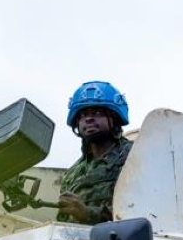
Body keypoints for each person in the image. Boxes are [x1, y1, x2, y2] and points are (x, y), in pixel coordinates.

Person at [57, 81, 133, 224]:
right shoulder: (73, 173)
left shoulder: (134, 156)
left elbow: (141, 210)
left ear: (114, 118)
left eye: (98, 113)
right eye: (82, 115)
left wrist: (88, 214)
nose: (89, 118)